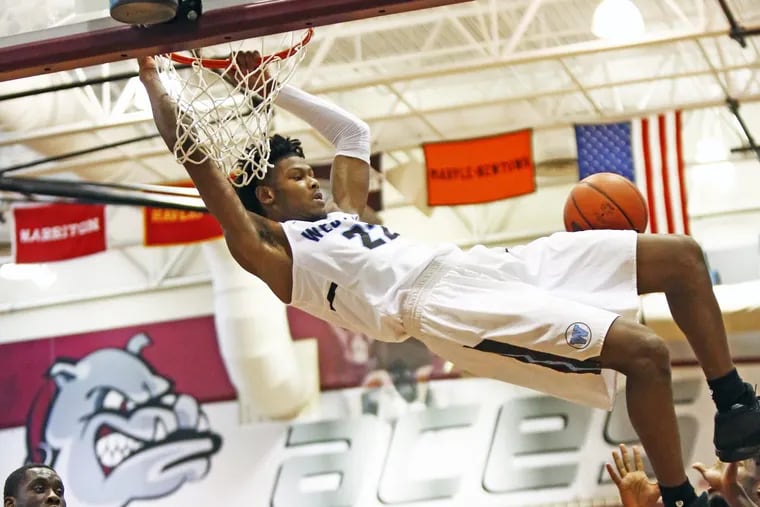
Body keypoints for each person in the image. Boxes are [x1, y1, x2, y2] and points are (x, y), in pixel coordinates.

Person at [137, 52, 760, 507]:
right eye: (299, 177)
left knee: (681, 257)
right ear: (269, 197)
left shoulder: (343, 216)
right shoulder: (272, 249)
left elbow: (353, 134)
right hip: (441, 308)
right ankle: (679, 499)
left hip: (476, 263)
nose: (315, 181)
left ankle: (734, 404)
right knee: (646, 355)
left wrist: (273, 86)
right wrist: (154, 79)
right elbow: (198, 160)